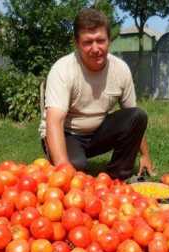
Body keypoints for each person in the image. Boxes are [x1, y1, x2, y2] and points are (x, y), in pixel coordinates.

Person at [39, 8, 154, 180]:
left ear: (109, 40)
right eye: (87, 42)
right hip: (66, 133)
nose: (95, 48)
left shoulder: (120, 69)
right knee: (75, 166)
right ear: (77, 43)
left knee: (138, 115)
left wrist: (144, 155)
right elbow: (54, 122)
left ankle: (117, 178)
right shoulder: (63, 70)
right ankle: (69, 161)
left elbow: (134, 119)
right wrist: (64, 171)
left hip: (97, 133)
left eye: (100, 40)